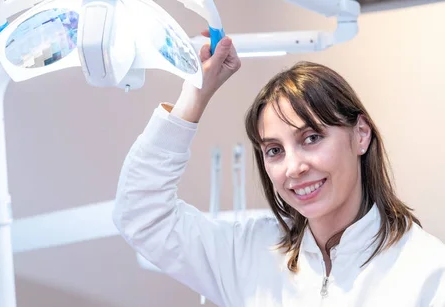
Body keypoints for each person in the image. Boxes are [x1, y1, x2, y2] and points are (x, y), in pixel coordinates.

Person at [112, 31, 445, 307]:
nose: (294, 167)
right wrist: (195, 96)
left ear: (360, 134)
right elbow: (141, 214)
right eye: (274, 150)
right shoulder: (249, 253)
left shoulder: (427, 272)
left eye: (312, 137)